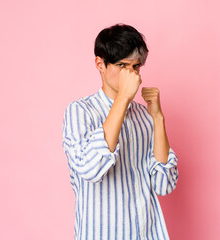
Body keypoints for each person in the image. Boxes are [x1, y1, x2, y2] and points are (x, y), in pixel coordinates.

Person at [62, 23, 179, 240]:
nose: (131, 75)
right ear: (100, 64)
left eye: (135, 67)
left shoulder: (144, 117)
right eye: (122, 65)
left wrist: (158, 118)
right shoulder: (80, 112)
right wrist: (124, 97)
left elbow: (164, 185)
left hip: (146, 233)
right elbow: (91, 169)